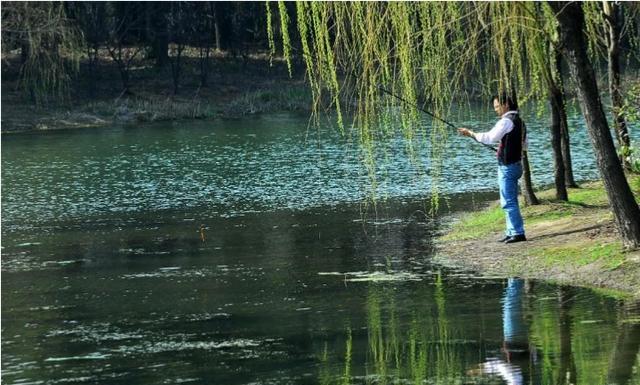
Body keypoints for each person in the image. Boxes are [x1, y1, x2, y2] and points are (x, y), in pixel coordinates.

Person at [457, 93, 527, 243]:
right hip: (516, 165)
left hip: (507, 167)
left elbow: (489, 138)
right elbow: (525, 145)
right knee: (510, 200)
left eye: (497, 106)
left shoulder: (506, 121)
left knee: (508, 201)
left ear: (506, 104)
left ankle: (517, 233)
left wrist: (471, 133)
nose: (495, 110)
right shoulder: (520, 121)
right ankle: (511, 231)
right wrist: (506, 149)